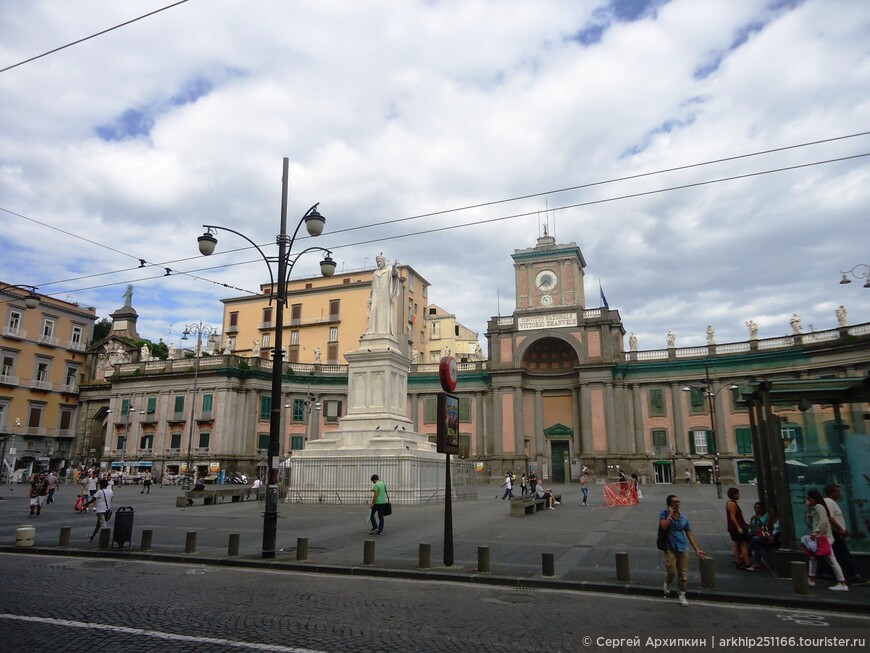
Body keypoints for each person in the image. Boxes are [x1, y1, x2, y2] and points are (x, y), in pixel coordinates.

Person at [660, 494, 706, 606]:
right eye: (674, 501)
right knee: (671, 570)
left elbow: (689, 534)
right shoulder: (664, 514)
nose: (677, 503)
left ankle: (681, 594)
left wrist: (697, 549)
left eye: (678, 501)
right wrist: (670, 515)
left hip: (682, 547)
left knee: (683, 573)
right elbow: (664, 526)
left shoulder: (684, 517)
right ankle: (667, 582)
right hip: (670, 547)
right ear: (669, 504)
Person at [805, 489, 848, 591]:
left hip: (824, 537)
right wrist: (809, 509)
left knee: (830, 560)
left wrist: (815, 532)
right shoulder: (816, 508)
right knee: (814, 558)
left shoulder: (820, 507)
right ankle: (812, 579)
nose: (808, 500)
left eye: (810, 498)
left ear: (814, 498)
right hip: (821, 537)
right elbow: (811, 522)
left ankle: (842, 583)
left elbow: (823, 522)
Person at [823, 483, 865, 584]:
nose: (839, 493)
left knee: (834, 555)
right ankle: (854, 576)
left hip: (834, 532)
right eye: (837, 491)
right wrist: (840, 529)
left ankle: (827, 575)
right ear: (831, 492)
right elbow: (829, 517)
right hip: (834, 533)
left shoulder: (830, 502)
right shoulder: (829, 501)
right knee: (844, 554)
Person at [366, 254, 400, 336]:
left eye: (380, 261)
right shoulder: (375, 273)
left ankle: (384, 331)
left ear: (384, 262)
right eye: (377, 262)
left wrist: (394, 267)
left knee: (384, 312)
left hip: (385, 295)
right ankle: (372, 330)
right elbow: (372, 285)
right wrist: (371, 297)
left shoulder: (388, 270)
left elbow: (395, 274)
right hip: (376, 295)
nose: (379, 263)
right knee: (374, 311)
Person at [726, 487, 753, 570]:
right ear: (734, 494)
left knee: (736, 544)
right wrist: (739, 527)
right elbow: (733, 517)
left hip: (732, 527)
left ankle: (738, 562)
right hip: (737, 527)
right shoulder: (733, 504)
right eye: (738, 493)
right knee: (744, 545)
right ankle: (747, 564)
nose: (739, 495)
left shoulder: (728, 503)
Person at [746, 501, 772, 571]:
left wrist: (759, 521)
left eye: (758, 508)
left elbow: (765, 527)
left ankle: (747, 553)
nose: (757, 509)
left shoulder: (766, 516)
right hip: (759, 535)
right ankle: (758, 563)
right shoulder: (754, 517)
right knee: (757, 545)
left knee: (754, 539)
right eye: (756, 508)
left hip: (767, 537)